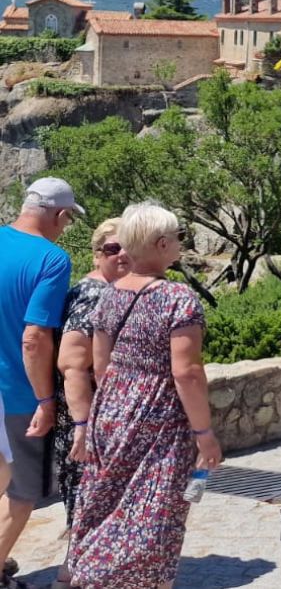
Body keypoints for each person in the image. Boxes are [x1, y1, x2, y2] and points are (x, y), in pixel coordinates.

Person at [68, 202, 221, 589]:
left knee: (104, 504)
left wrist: (119, 401)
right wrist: (204, 433)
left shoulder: (109, 295)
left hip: (111, 413)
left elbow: (100, 366)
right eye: (178, 237)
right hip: (159, 419)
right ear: (162, 243)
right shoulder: (178, 299)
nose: (181, 243)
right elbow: (186, 373)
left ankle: (91, 572)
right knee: (156, 516)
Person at [0, 178, 80, 588]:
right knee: (23, 491)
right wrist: (46, 401)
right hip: (16, 393)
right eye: (67, 220)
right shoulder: (52, 259)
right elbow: (34, 338)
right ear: (59, 215)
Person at [50, 218, 128, 587]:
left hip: (100, 419)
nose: (122, 254)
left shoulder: (110, 292)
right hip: (89, 422)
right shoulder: (93, 296)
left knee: (92, 506)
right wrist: (83, 425)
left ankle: (76, 575)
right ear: (97, 254)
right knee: (89, 504)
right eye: (113, 248)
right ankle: (71, 578)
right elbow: (72, 364)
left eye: (129, 246)